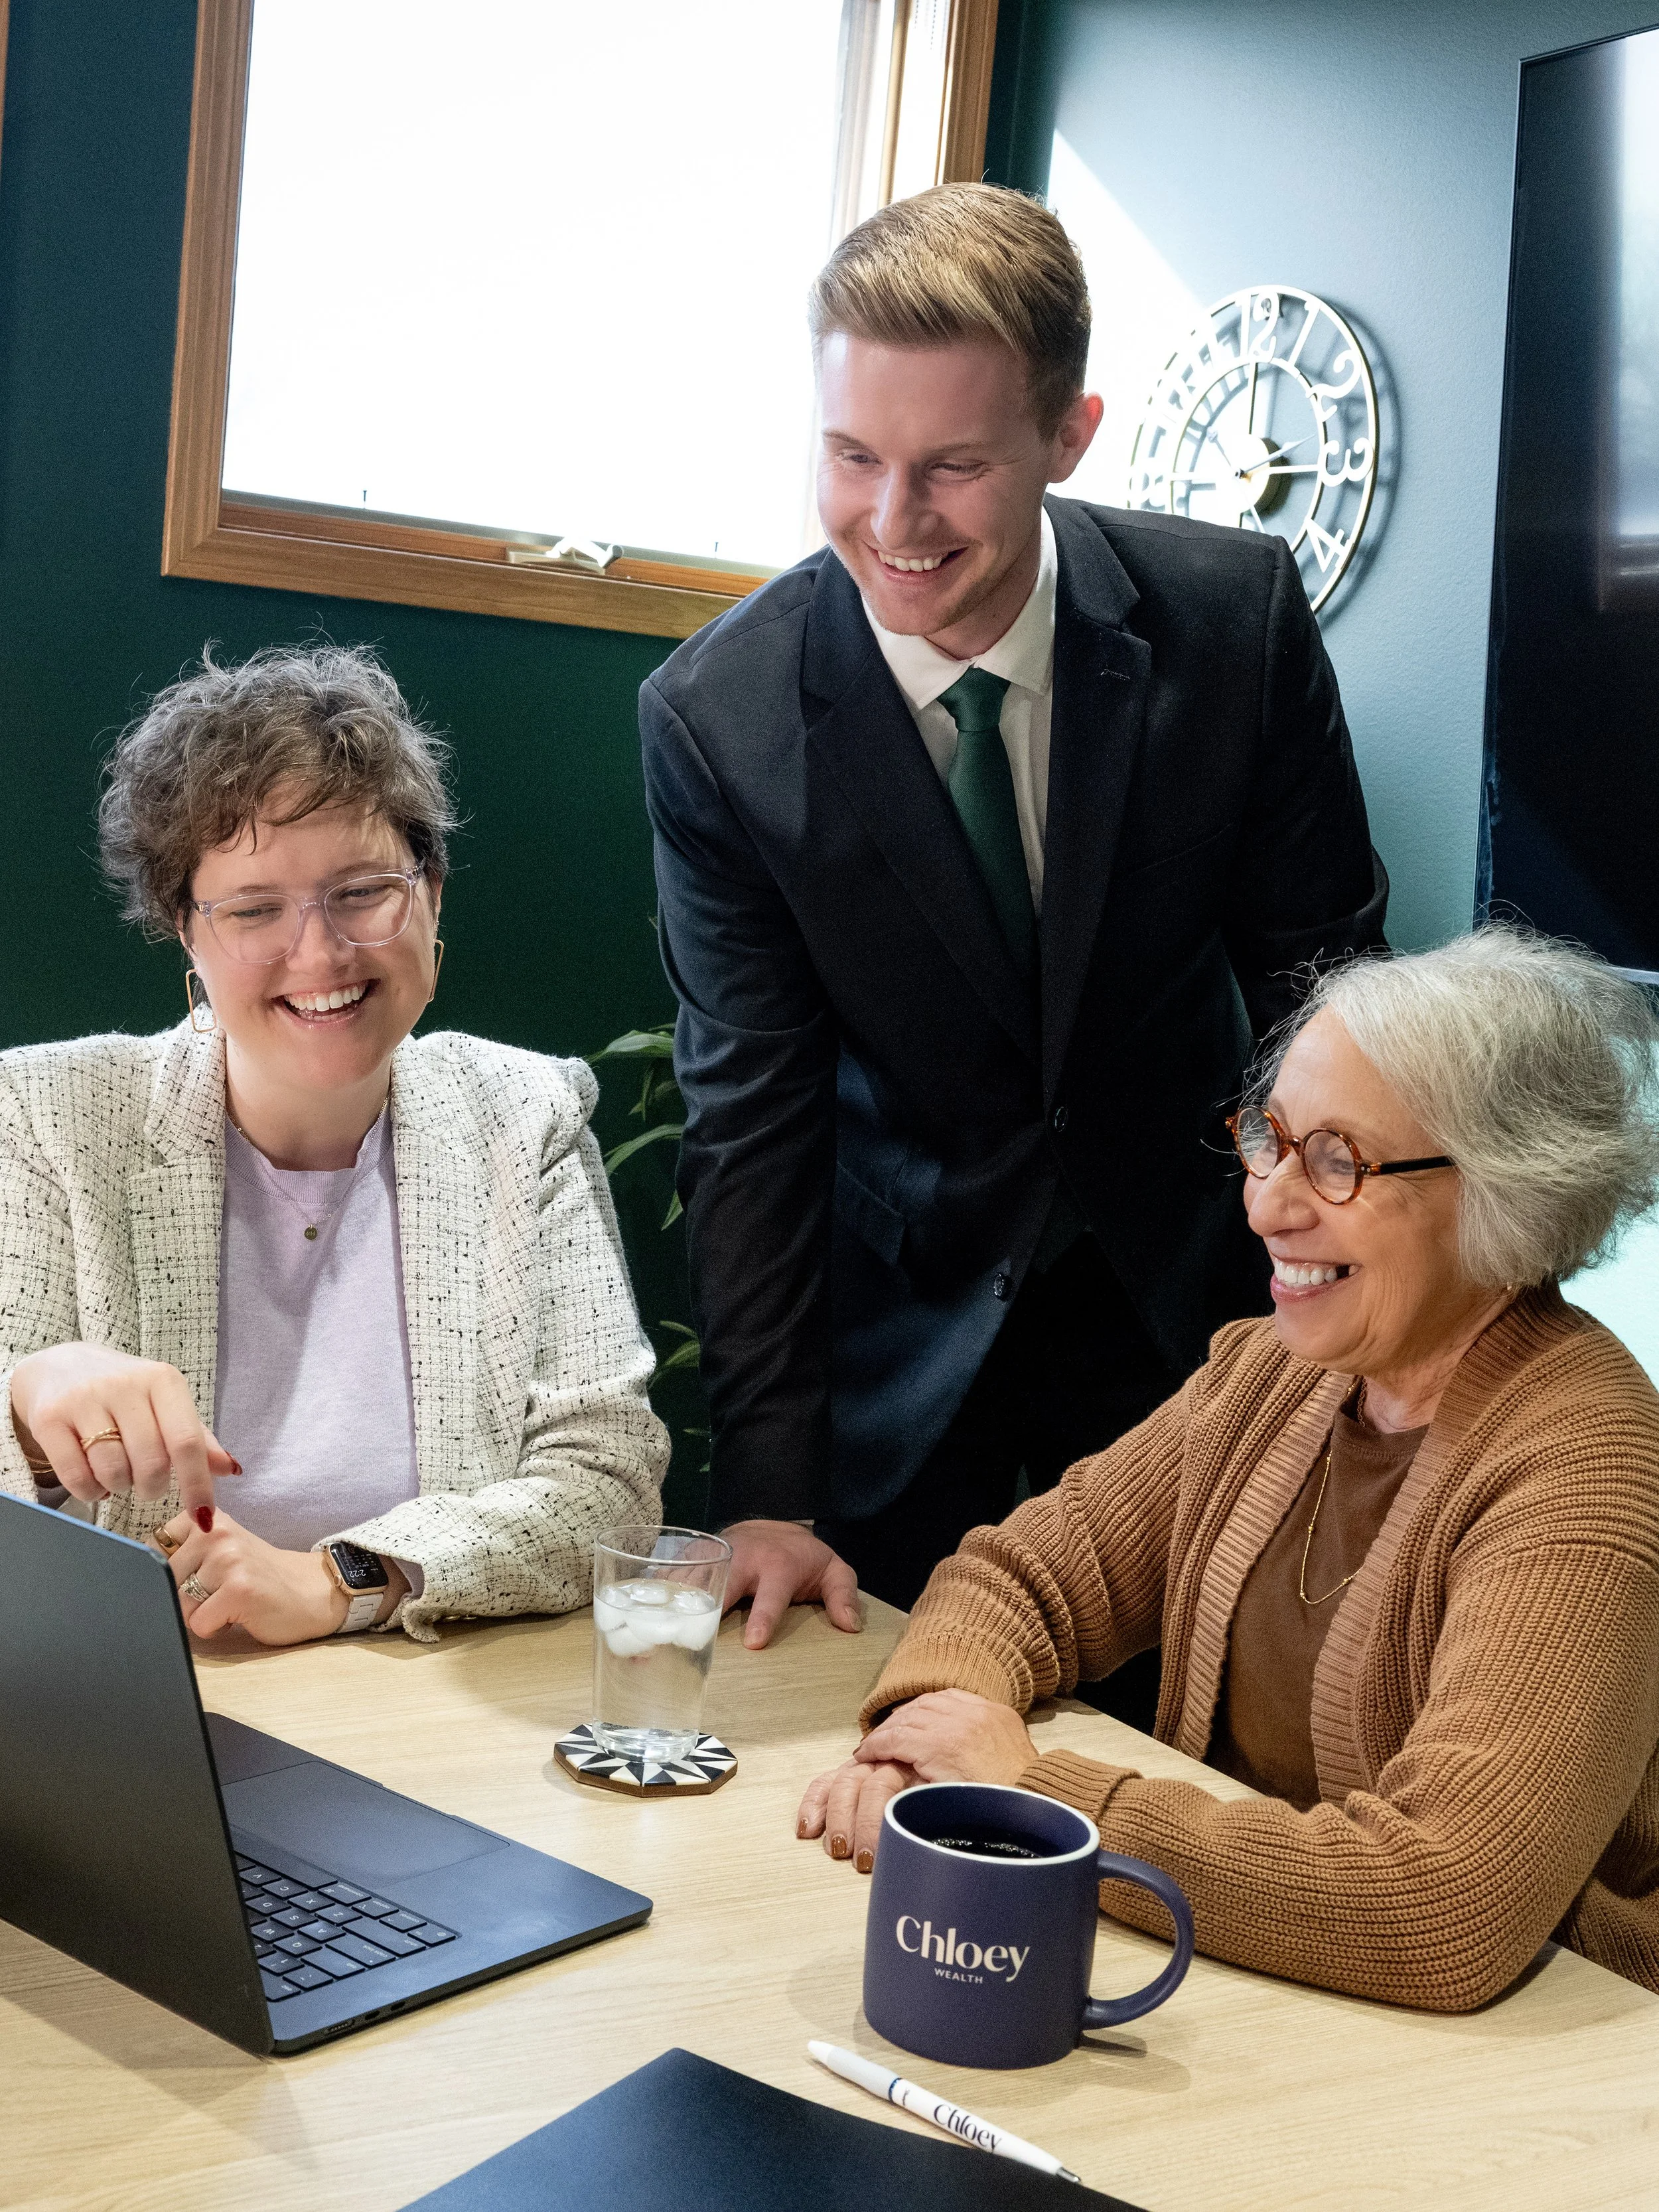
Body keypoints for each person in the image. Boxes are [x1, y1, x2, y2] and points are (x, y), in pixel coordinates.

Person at [641, 183, 1388, 1654]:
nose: (891, 521)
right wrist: (768, 1490)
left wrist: (1356, 1350)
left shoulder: (1229, 626)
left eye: (952, 467)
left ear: (1068, 436)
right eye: (851, 457)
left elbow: (1330, 1007)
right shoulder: (715, 720)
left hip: (1198, 1313)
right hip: (896, 1345)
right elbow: (751, 1118)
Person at [796, 928, 1659, 2011]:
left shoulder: (1587, 1467)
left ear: (1505, 1189)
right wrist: (929, 1740)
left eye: (1338, 1159)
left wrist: (1034, 1796)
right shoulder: (1271, 1374)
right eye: (1270, 1137)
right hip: (1252, 1975)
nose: (1266, 1203)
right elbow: (1018, 1579)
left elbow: (1441, 1907)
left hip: (1548, 2055)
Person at [1, 644, 668, 1645]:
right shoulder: (49, 1115)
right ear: (186, 933)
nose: (318, 954)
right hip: (136, 1712)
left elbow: (606, 1482)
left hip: (421, 1708)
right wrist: (27, 1408)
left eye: (362, 892)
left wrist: (347, 1578)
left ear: (432, 895)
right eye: (256, 909)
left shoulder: (522, 1116)